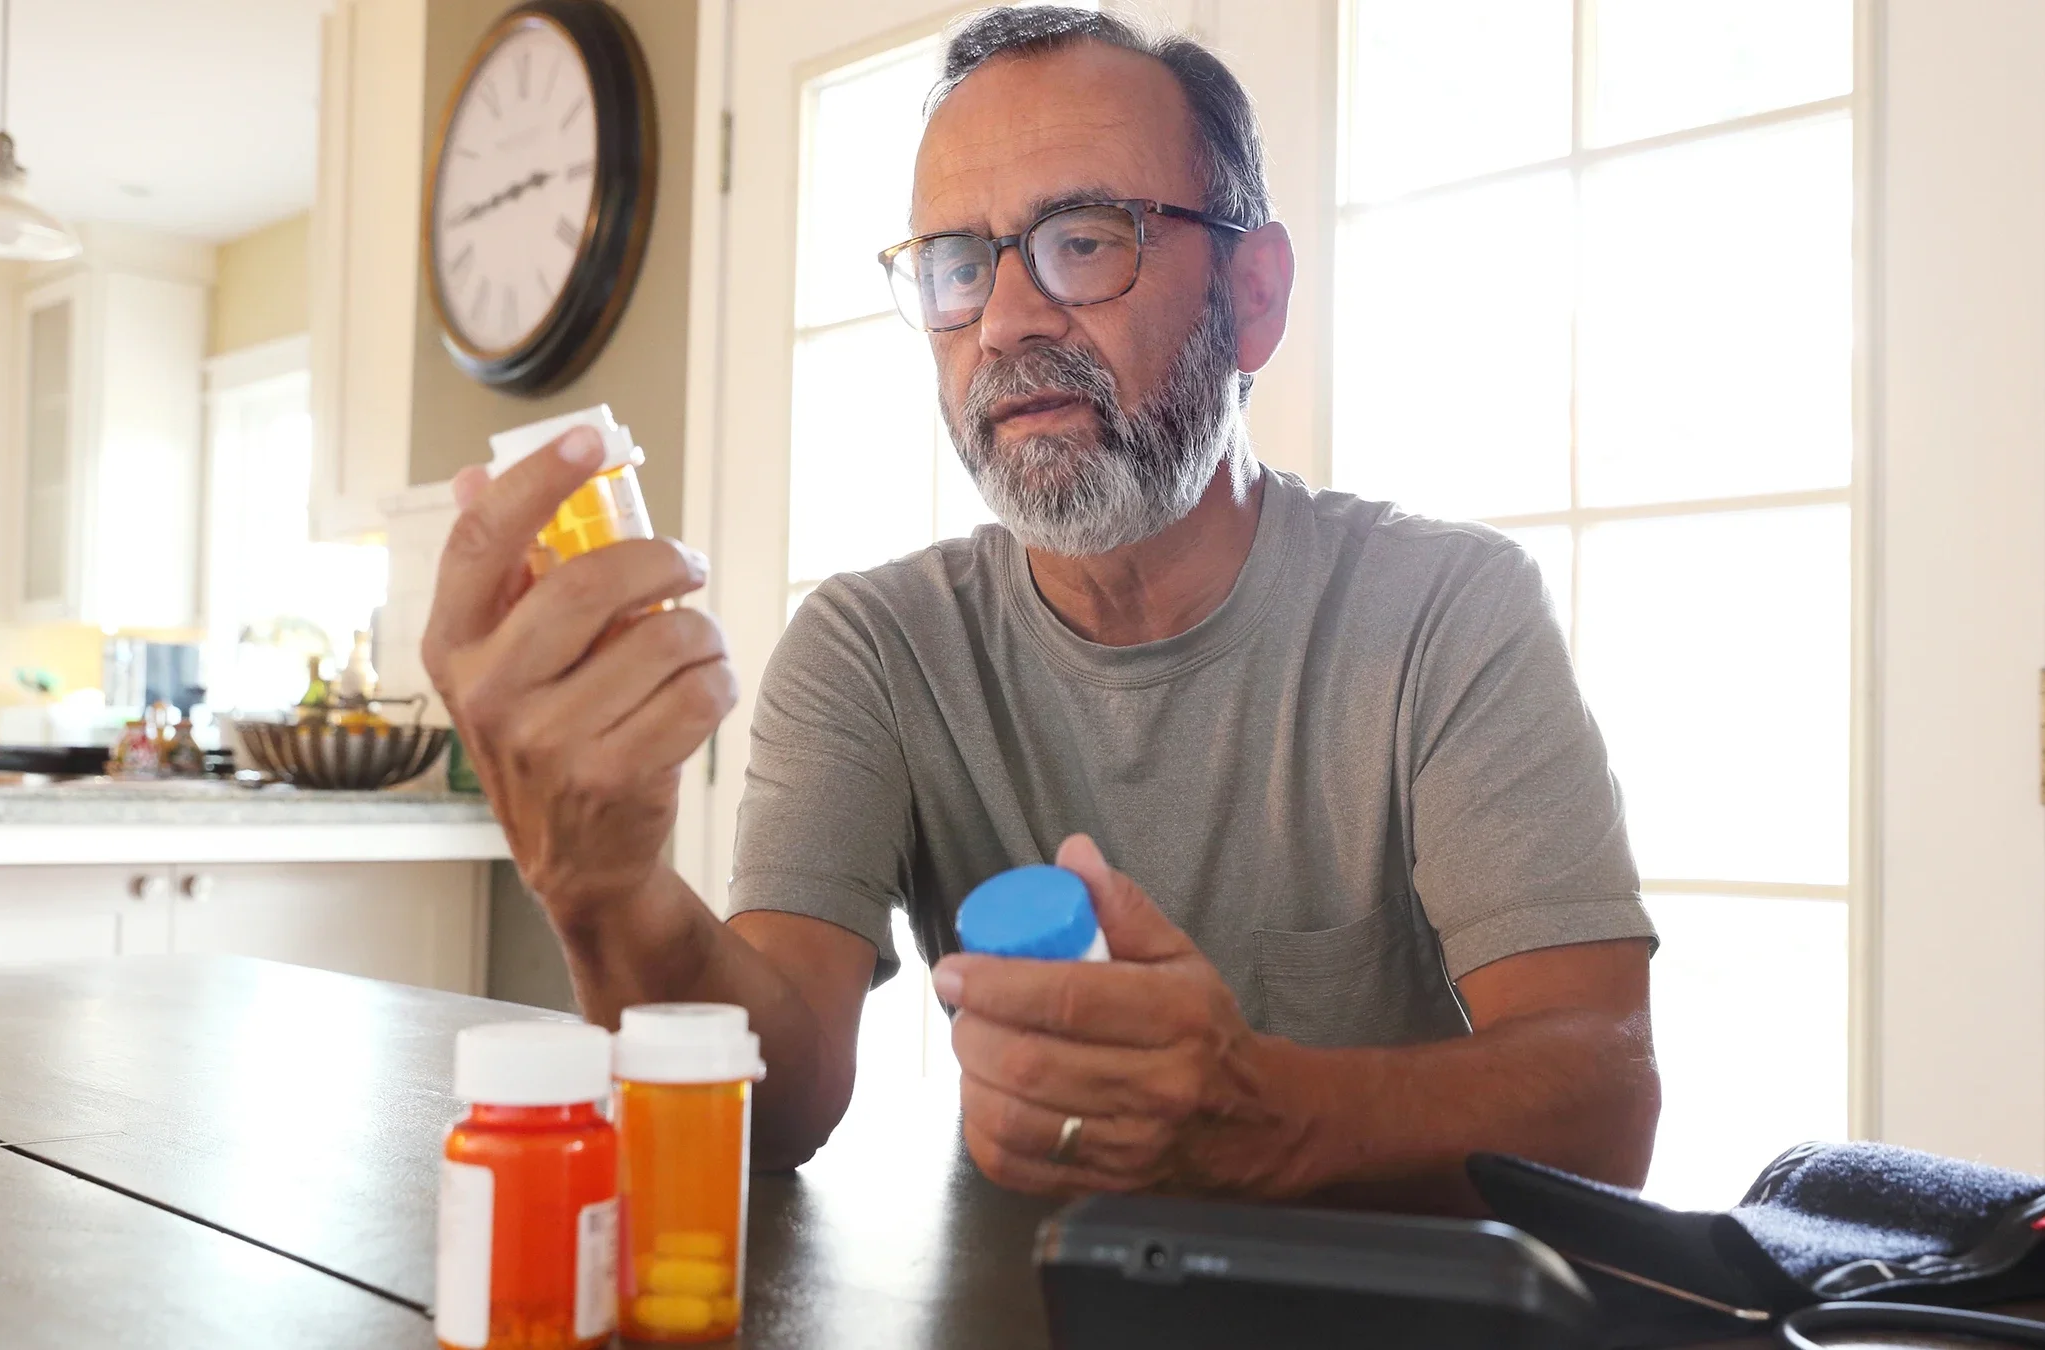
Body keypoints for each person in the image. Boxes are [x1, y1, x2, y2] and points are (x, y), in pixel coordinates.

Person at [424, 6, 1658, 1215]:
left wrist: (1260, 1111)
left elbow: (1602, 1100)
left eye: (1085, 238)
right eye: (958, 267)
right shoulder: (874, 650)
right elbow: (776, 1103)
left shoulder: (1444, 610)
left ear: (1256, 294)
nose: (1006, 321)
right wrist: (608, 891)